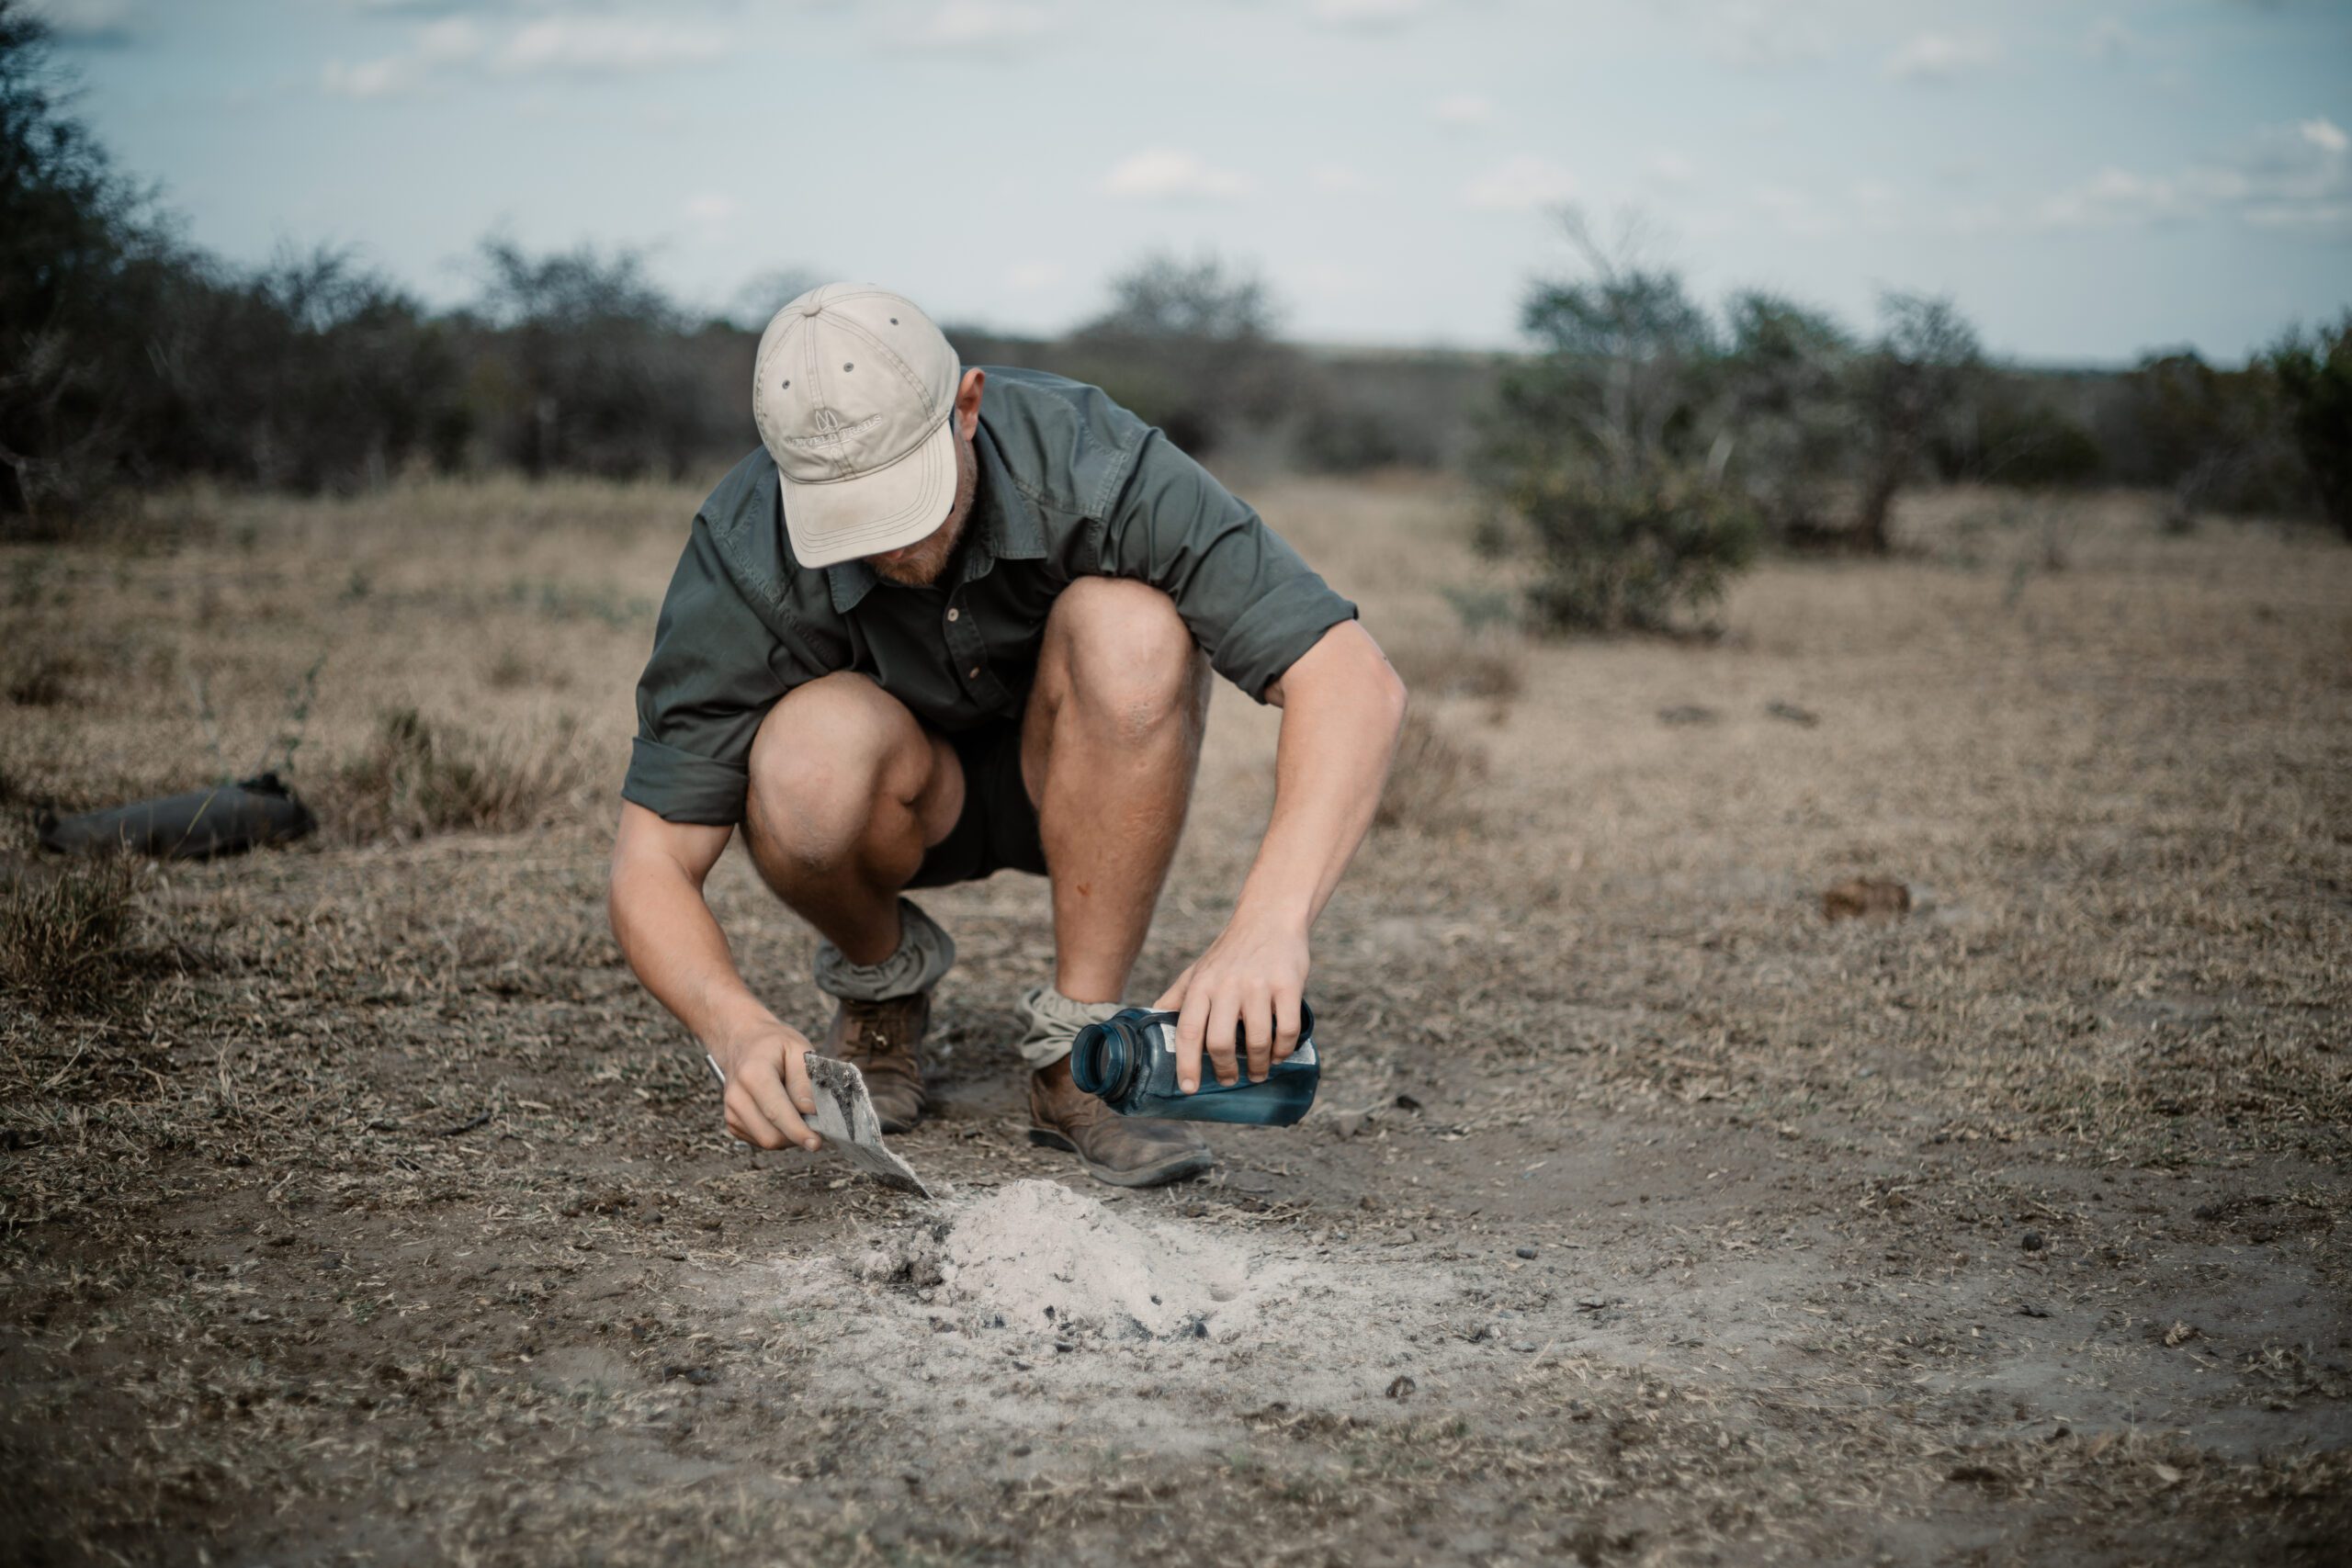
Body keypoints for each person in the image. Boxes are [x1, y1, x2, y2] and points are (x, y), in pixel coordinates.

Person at [607, 282, 1407, 1187]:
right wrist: (734, 1026)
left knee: (1134, 629)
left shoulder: (1094, 457)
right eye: (849, 519)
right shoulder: (744, 540)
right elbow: (650, 862)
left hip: (1083, 780)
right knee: (805, 751)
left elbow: (1352, 679)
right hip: (898, 804)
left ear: (968, 407)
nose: (891, 549)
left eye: (907, 500)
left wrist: (1267, 928)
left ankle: (1077, 1045)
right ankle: (881, 988)